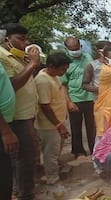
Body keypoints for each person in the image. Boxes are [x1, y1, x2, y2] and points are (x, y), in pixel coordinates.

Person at [0, 23, 40, 200]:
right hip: (16, 118)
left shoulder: (17, 57)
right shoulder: (3, 57)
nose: (25, 43)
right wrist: (32, 64)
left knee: (24, 158)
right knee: (23, 159)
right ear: (6, 39)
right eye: (20, 39)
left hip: (27, 115)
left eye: (26, 39)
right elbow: (12, 85)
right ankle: (26, 195)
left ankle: (20, 191)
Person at [34, 53, 71, 184]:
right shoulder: (43, 81)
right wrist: (59, 126)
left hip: (58, 121)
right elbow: (45, 106)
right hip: (49, 125)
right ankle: (52, 180)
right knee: (50, 154)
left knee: (55, 151)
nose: (64, 72)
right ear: (51, 66)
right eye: (62, 69)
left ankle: (54, 173)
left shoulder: (54, 76)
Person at [61, 36, 96, 158]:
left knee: (92, 126)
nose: (75, 50)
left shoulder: (88, 58)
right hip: (74, 97)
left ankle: (94, 149)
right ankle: (78, 151)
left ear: (80, 47)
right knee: (75, 127)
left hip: (89, 97)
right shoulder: (64, 62)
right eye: (71, 49)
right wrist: (68, 102)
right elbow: (63, 84)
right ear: (66, 49)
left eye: (76, 48)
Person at [0, 59, 19, 200]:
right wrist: (5, 131)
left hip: (6, 122)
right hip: (3, 127)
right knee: (4, 173)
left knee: (6, 170)